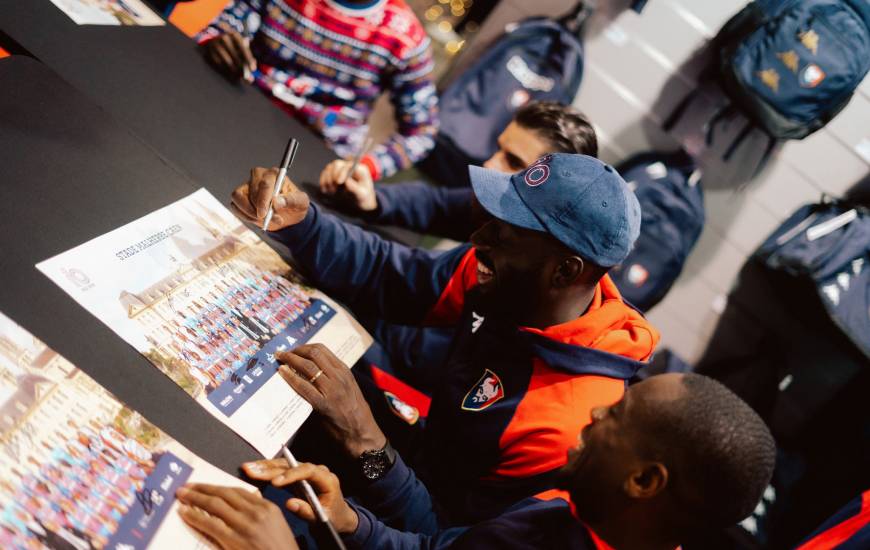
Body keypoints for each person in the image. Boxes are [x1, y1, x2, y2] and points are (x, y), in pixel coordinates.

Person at [230, 153, 660, 524]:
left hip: (404, 515)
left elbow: (445, 535)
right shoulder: (503, 275)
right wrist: (304, 223)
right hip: (408, 463)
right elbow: (391, 276)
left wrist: (367, 442)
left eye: (506, 233)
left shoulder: (562, 427)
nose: (478, 239)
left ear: (564, 271)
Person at [175, 372, 777, 550]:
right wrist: (353, 523)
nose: (594, 417)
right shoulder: (565, 507)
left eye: (616, 417)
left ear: (644, 480)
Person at [198, 0, 438, 183]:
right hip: (237, 109)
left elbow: (422, 132)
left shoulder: (406, 39)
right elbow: (221, 29)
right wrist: (216, 42)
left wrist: (365, 167)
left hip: (316, 159)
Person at [320, 100, 598, 242]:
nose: (489, 165)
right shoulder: (494, 208)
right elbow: (437, 205)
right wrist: (374, 199)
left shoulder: (530, 270)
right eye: (498, 149)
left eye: (513, 162)